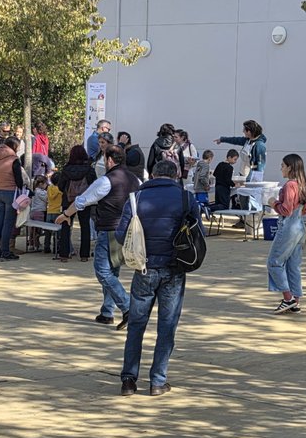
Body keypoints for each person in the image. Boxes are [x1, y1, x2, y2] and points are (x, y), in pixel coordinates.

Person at [116, 159, 200, 396]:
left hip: (144, 268)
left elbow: (122, 235)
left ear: (152, 175)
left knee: (136, 325)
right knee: (167, 326)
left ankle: (128, 380)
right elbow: (198, 234)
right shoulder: (186, 199)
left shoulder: (136, 199)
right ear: (175, 176)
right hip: (174, 269)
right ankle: (157, 381)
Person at [57, 146, 140, 327]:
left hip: (109, 229)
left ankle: (127, 306)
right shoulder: (136, 179)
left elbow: (82, 200)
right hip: (127, 230)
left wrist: (65, 215)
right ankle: (107, 312)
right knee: (112, 271)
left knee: (102, 271)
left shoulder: (106, 181)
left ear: (110, 160)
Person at [267, 154, 306, 313]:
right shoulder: (302, 183)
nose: (281, 168)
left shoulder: (290, 185)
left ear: (290, 167)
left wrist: (273, 203)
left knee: (274, 262)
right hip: (299, 226)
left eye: (282, 165)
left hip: (289, 226)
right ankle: (295, 300)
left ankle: (288, 298)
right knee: (293, 265)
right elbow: (304, 208)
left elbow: (286, 210)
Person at [55, 145, 95, 262]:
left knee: (66, 226)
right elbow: (94, 185)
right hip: (84, 201)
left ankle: (64, 254)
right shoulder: (89, 170)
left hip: (68, 200)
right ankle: (84, 255)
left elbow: (61, 185)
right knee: (85, 226)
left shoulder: (66, 169)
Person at [0, 136, 24, 261]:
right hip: (10, 193)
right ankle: (5, 252)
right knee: (8, 224)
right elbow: (19, 181)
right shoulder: (14, 160)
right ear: (14, 146)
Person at [27, 175, 51, 252]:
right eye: (45, 184)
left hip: (32, 212)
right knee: (38, 230)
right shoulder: (42, 192)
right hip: (39, 212)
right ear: (41, 184)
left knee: (32, 229)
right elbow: (48, 199)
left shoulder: (33, 191)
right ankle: (36, 244)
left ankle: (31, 244)